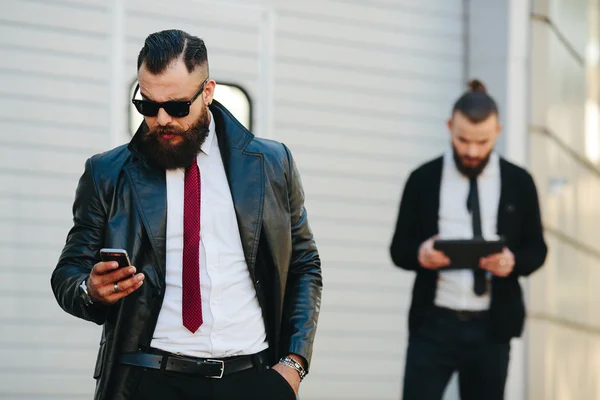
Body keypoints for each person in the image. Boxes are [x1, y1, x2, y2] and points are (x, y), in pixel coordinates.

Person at [51, 29, 322, 400]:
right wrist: (90, 291)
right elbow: (68, 273)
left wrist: (293, 363)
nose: (161, 119)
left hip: (253, 379)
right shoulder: (108, 173)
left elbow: (305, 265)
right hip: (150, 380)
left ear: (207, 92)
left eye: (177, 107)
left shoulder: (271, 164)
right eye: (148, 105)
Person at [389, 80, 547, 400]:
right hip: (432, 324)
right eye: (463, 140)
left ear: (498, 131)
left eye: (482, 141)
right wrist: (421, 254)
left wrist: (512, 262)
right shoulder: (423, 179)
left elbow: (537, 250)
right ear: (449, 127)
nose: (472, 151)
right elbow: (398, 250)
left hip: (492, 327)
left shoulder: (519, 182)